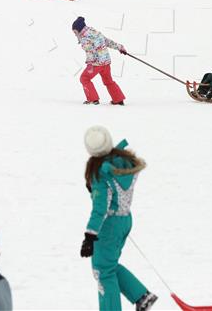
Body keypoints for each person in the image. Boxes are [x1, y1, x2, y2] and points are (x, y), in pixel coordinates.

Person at [81, 126, 158, 311]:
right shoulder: (121, 162)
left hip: (108, 225)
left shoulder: (102, 172)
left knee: (103, 272)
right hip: (124, 220)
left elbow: (101, 208)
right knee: (110, 265)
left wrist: (90, 236)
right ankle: (141, 296)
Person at [73, 17, 126, 105]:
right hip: (106, 62)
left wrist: (90, 64)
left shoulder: (85, 38)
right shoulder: (95, 32)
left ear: (80, 29)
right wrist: (120, 47)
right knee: (108, 81)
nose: (75, 34)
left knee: (84, 78)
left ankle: (93, 99)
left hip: (96, 63)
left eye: (75, 32)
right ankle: (118, 99)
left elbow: (89, 51)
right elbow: (107, 41)